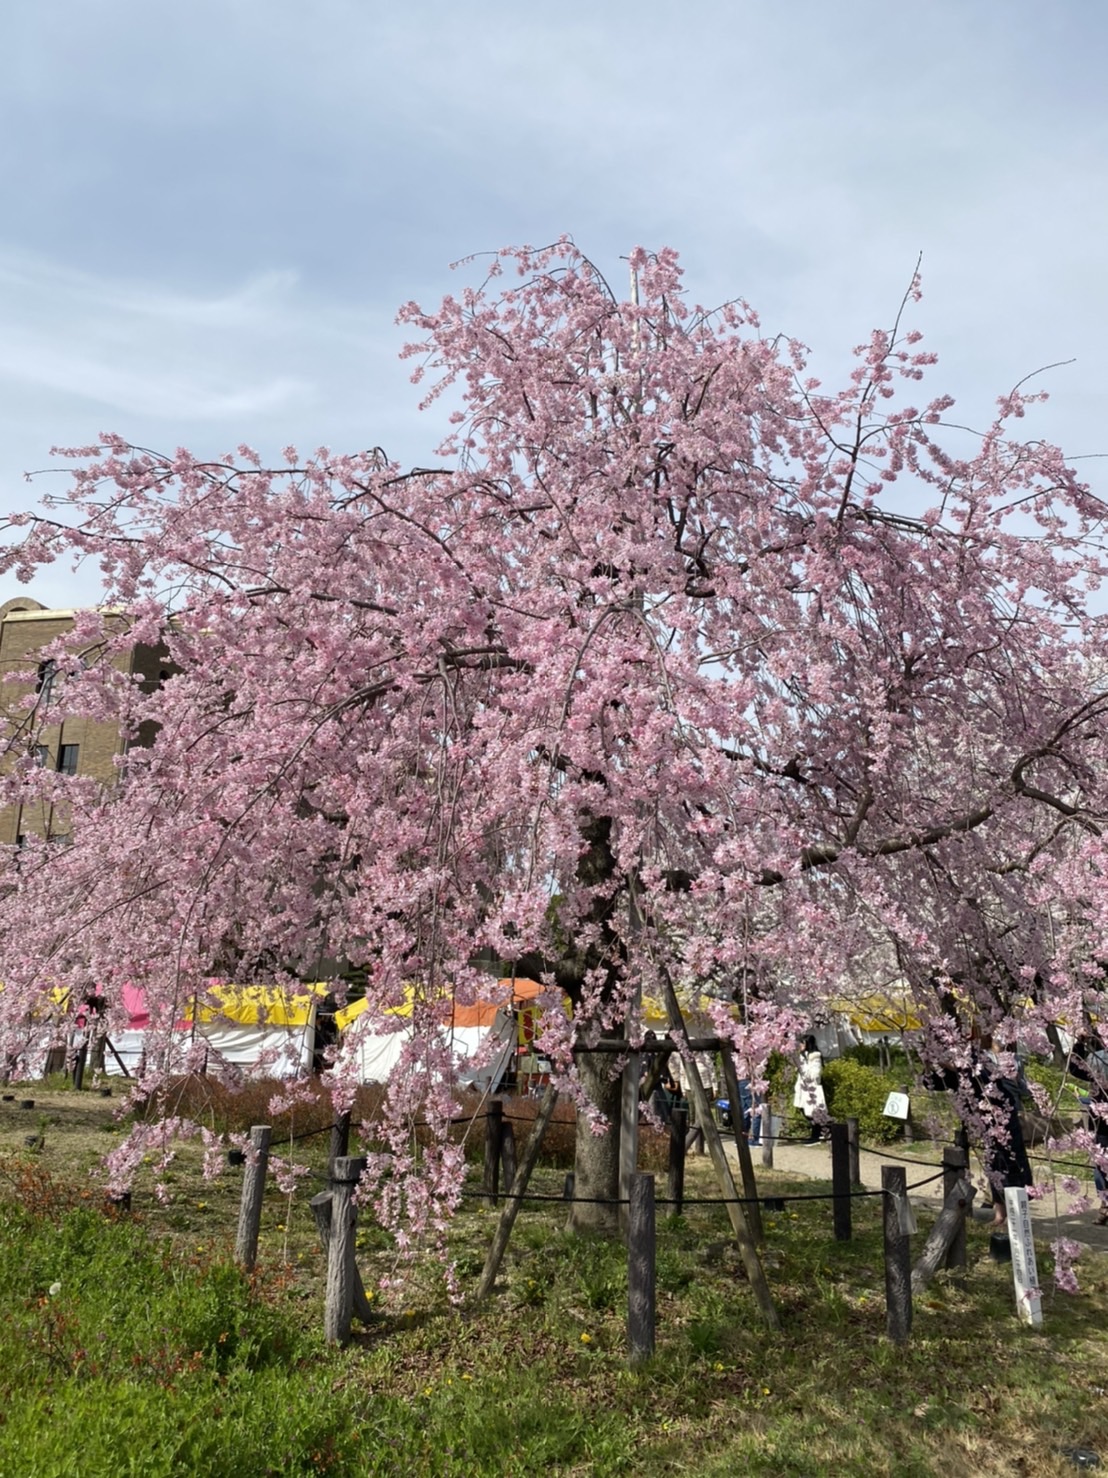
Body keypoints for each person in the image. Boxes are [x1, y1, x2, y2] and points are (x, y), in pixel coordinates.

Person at [793, 1034, 825, 1141]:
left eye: (802, 1043)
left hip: (812, 1087)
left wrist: (803, 1067)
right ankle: (818, 1133)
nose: (800, 1045)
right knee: (804, 1110)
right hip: (803, 1088)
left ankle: (816, 1135)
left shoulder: (815, 1057)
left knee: (813, 1111)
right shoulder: (803, 1056)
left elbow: (814, 1074)